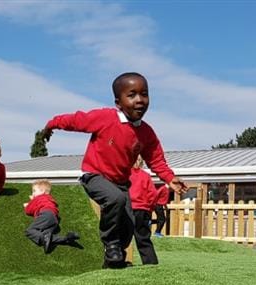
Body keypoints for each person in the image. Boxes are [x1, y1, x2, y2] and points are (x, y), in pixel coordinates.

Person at [40, 72, 187, 268]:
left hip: (121, 183)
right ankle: (110, 243)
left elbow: (156, 159)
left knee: (128, 226)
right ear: (118, 102)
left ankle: (112, 262)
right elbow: (76, 120)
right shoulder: (105, 118)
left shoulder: (146, 132)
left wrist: (170, 178)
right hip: (94, 175)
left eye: (144, 94)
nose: (140, 100)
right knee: (114, 200)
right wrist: (51, 125)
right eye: (132, 95)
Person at [23, 179, 80, 254]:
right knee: (47, 235)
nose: (33, 193)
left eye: (34, 191)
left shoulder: (39, 198)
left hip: (45, 214)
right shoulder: (49, 199)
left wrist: (28, 204)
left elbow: (29, 210)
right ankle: (66, 238)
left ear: (42, 191)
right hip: (54, 218)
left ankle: (43, 238)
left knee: (30, 231)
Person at [129, 157, 158, 264]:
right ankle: (150, 262)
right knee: (143, 238)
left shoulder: (124, 175)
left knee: (122, 237)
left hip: (127, 209)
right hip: (143, 210)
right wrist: (150, 208)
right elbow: (153, 194)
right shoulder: (145, 176)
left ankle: (117, 260)